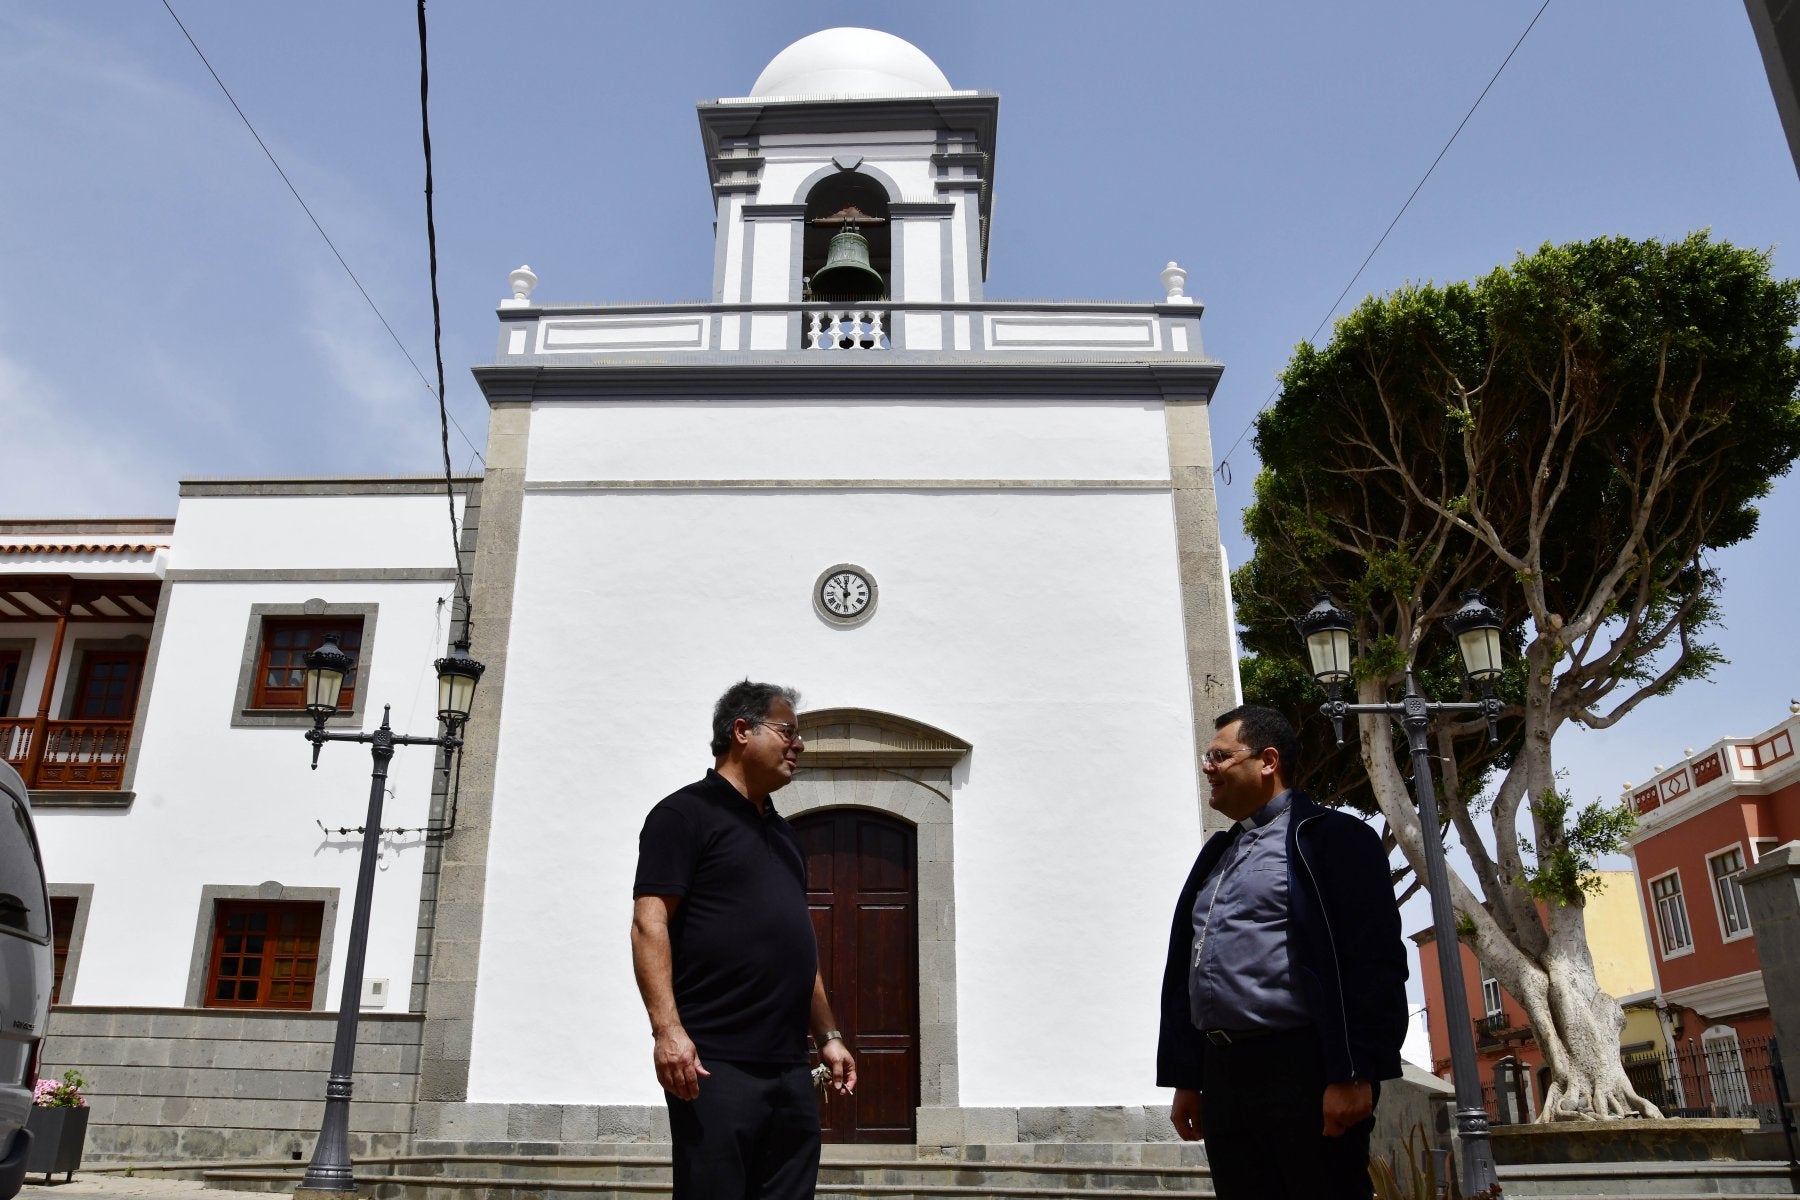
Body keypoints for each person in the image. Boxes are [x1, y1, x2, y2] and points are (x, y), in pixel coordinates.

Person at [1156, 704, 1408, 1200]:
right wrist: (1188, 1077)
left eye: (1219, 756)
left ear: (1268, 761)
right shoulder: (1217, 853)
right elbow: (1187, 965)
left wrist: (1356, 1072)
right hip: (1223, 1075)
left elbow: (1373, 963)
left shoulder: (1333, 839)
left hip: (1303, 1071)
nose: (1207, 767)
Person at [631, 680, 856, 1200]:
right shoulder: (683, 816)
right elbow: (650, 924)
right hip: (714, 1065)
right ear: (741, 732)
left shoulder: (783, 834)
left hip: (790, 1068)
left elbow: (798, 947)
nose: (798, 745)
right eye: (787, 732)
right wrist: (667, 1032)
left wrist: (828, 1036)